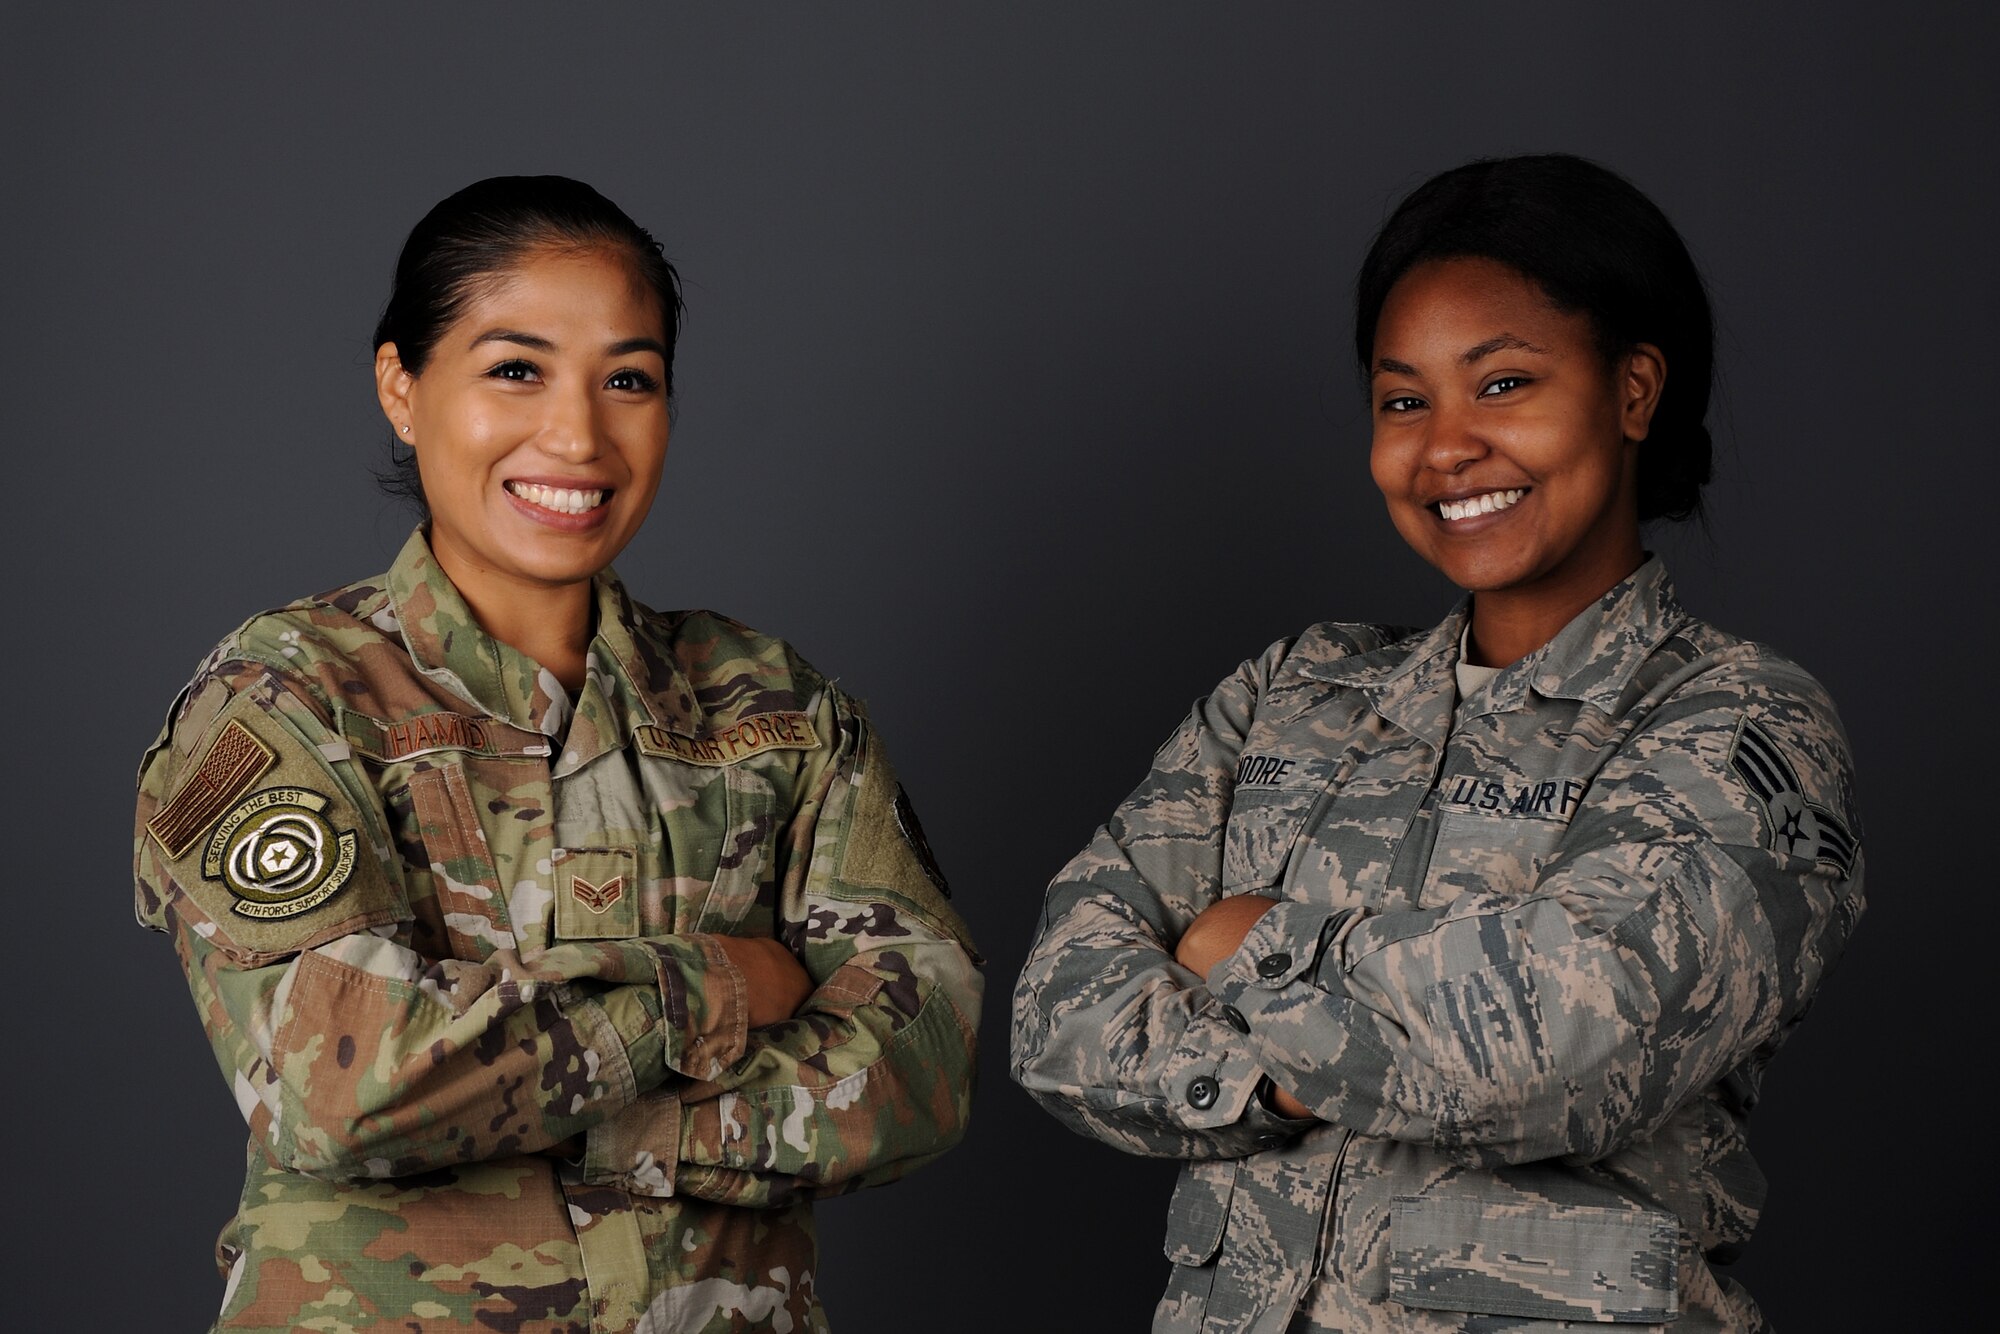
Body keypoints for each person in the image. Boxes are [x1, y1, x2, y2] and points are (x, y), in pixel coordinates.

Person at [1011, 154, 1863, 1332]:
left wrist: (1242, 944)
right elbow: (1057, 1009)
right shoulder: (1290, 691)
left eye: (1502, 382)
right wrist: (1289, 1073)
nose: (1446, 446)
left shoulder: (1738, 720)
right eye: (1402, 399)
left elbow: (1564, 1049)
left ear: (1632, 391)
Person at [134, 175, 982, 1334]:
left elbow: (917, 1068)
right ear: (401, 385)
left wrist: (581, 1117)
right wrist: (711, 989)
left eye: (627, 379)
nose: (579, 435)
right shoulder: (287, 696)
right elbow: (345, 1086)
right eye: (516, 368)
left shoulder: (775, 707)